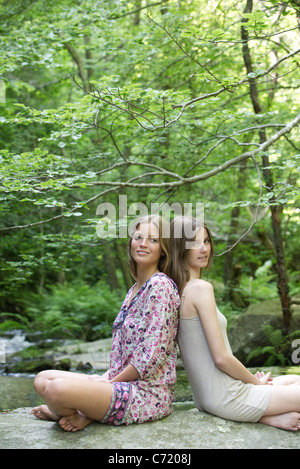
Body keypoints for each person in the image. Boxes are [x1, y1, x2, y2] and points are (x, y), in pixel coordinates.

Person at [31, 215, 180, 432]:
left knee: (55, 390)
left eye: (153, 240)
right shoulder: (135, 289)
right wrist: (104, 380)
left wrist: (107, 384)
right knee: (42, 379)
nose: (143, 244)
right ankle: (80, 411)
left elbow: (149, 357)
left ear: (163, 249)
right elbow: (121, 355)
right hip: (118, 383)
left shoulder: (160, 286)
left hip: (145, 395)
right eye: (138, 237)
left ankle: (78, 413)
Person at [169, 215, 300, 431]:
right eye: (195, 243)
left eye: (207, 241)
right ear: (179, 248)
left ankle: (264, 417)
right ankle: (261, 412)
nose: (204, 249)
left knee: (292, 381)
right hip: (228, 396)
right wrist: (254, 382)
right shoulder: (200, 289)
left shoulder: (178, 289)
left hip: (207, 399)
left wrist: (251, 382)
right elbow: (221, 358)